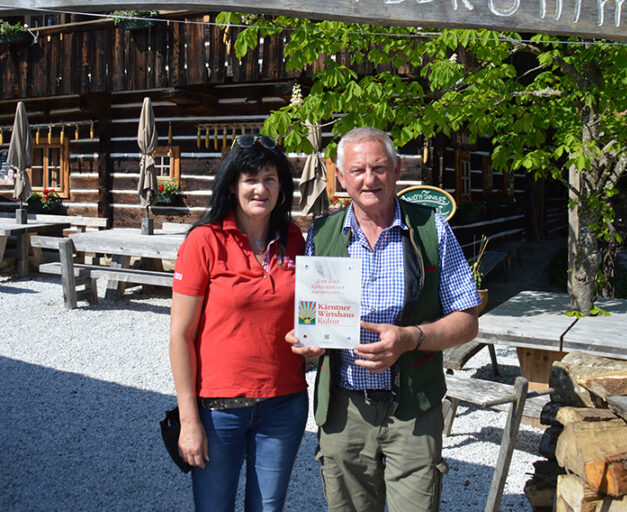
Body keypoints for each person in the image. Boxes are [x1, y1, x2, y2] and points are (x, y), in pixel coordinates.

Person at [287, 127, 481, 512]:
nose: (369, 179)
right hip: (344, 410)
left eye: (379, 168)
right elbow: (311, 315)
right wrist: (307, 339)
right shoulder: (322, 233)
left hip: (412, 408)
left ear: (396, 170)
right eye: (357, 170)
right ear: (340, 177)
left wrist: (410, 338)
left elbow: (468, 320)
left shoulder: (431, 229)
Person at [169, 134, 308, 512]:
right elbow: (181, 336)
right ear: (233, 185)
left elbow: (307, 314)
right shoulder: (203, 241)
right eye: (250, 179)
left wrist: (313, 337)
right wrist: (189, 421)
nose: (260, 188)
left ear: (282, 187)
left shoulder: (296, 240)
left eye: (270, 178)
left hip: (284, 405)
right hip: (218, 411)